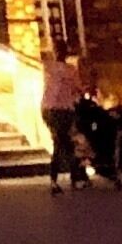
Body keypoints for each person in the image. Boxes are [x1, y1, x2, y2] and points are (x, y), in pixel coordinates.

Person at [39, 52, 88, 195]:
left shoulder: (48, 68)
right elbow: (78, 88)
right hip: (63, 110)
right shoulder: (70, 70)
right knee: (65, 144)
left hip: (48, 109)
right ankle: (71, 178)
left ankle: (58, 179)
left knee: (60, 143)